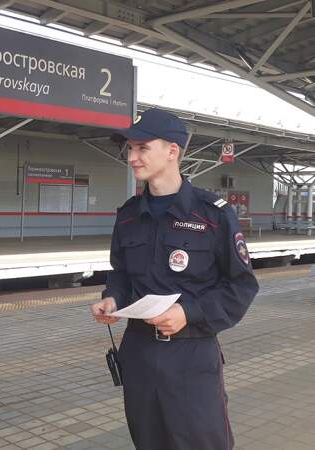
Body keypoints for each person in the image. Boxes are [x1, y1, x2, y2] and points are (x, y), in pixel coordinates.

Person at [90, 108, 259, 450]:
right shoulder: (128, 217)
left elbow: (242, 286)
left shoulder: (213, 215)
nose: (132, 158)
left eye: (142, 148)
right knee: (148, 441)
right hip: (137, 354)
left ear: (172, 151)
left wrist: (189, 312)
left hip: (191, 356)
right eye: (130, 149)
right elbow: (120, 273)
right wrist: (113, 299)